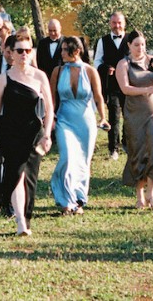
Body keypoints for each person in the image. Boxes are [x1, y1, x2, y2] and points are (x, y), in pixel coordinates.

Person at [0, 29, 54, 235]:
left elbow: (50, 109)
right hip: (11, 132)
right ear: (12, 53)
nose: (24, 54)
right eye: (20, 50)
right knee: (14, 176)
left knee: (30, 178)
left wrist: (47, 134)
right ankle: (20, 223)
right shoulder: (4, 78)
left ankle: (26, 217)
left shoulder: (40, 76)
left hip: (34, 133)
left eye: (28, 50)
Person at [115, 30, 153, 209]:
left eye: (143, 44)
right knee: (137, 151)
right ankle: (139, 194)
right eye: (136, 45)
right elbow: (125, 88)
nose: (140, 48)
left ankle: (151, 193)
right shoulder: (123, 64)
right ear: (129, 45)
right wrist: (146, 90)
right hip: (134, 113)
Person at [50, 35, 103, 215]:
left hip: (85, 121)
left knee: (82, 162)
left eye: (65, 49)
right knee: (67, 157)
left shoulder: (90, 71)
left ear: (77, 51)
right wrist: (50, 118)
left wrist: (103, 117)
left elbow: (98, 97)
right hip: (64, 119)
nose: (62, 53)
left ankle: (78, 200)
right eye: (62, 49)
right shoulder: (58, 71)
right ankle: (65, 201)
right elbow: (51, 98)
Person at [93, 11, 131, 159]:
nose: (117, 26)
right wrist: (105, 68)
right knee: (113, 117)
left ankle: (127, 144)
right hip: (112, 86)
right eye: (114, 23)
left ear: (124, 23)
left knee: (129, 116)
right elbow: (97, 61)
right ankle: (113, 148)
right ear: (110, 24)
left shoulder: (130, 39)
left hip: (129, 84)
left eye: (120, 23)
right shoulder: (102, 41)